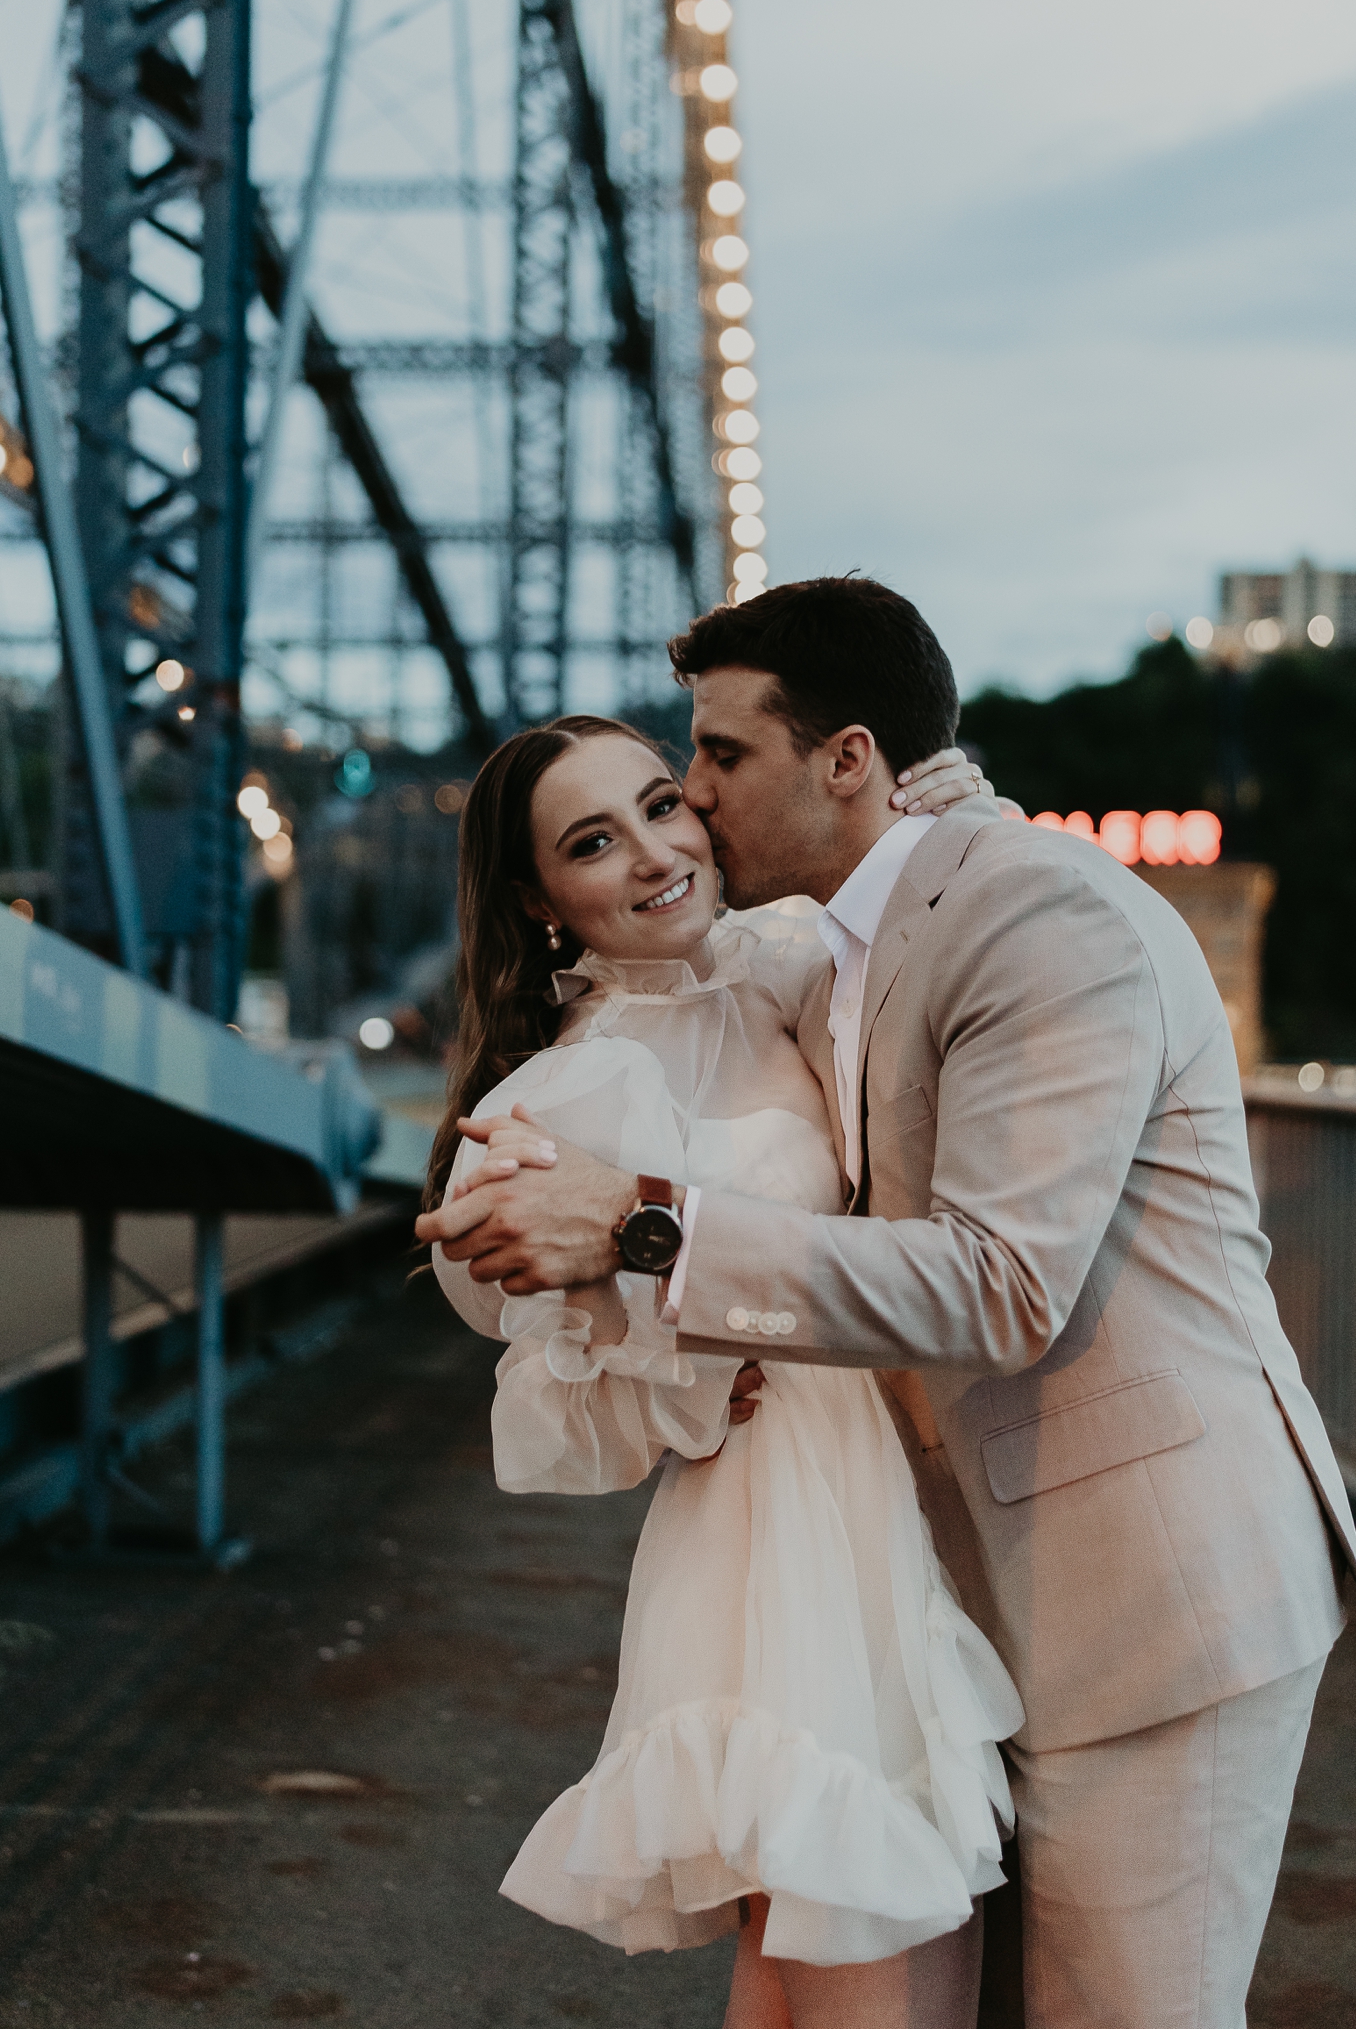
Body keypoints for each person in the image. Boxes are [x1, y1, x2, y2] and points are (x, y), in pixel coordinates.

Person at [423, 576, 1356, 2029]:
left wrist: (642, 1225)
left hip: (1144, 1592)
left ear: (848, 759)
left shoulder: (1038, 915)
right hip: (950, 1585)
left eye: (718, 760)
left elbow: (999, 1282)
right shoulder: (829, 954)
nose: (691, 798)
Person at [426, 713, 1024, 2028]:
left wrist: (963, 815)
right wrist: (678, 1380)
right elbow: (548, 1389)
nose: (653, 852)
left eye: (662, 805)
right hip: (778, 1527)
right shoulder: (572, 1095)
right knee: (850, 1925)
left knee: (819, 1944)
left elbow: (941, 941)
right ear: (540, 902)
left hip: (887, 1484)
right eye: (595, 841)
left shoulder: (791, 958)